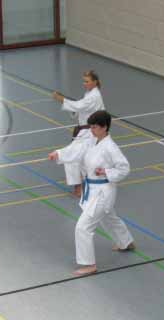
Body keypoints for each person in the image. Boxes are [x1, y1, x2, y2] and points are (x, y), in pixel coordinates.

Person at [48, 110, 135, 276]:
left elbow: (124, 168)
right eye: (91, 127)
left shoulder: (110, 147)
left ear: (104, 127)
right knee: (108, 217)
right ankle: (126, 242)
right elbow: (77, 150)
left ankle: (89, 265)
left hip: (103, 191)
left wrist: (106, 172)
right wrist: (58, 154)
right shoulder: (92, 140)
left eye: (94, 127)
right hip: (93, 189)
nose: (91, 130)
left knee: (83, 227)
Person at [52, 70, 105, 197]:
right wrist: (70, 106)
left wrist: (62, 99)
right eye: (84, 81)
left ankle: (79, 187)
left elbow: (79, 106)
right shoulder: (89, 94)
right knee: (82, 157)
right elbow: (81, 108)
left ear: (95, 82)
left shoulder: (94, 96)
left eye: (87, 81)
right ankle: (87, 183)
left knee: (71, 156)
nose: (84, 84)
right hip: (88, 131)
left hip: (90, 132)